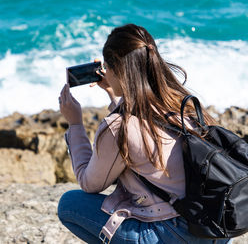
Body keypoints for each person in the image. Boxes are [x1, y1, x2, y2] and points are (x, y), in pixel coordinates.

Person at [57, 24, 232, 244]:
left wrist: (75, 124)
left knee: (70, 204)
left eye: (108, 67)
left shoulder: (119, 127)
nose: (105, 72)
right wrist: (113, 93)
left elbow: (89, 183)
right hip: (214, 226)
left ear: (118, 71)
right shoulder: (180, 101)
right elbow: (143, 126)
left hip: (174, 234)